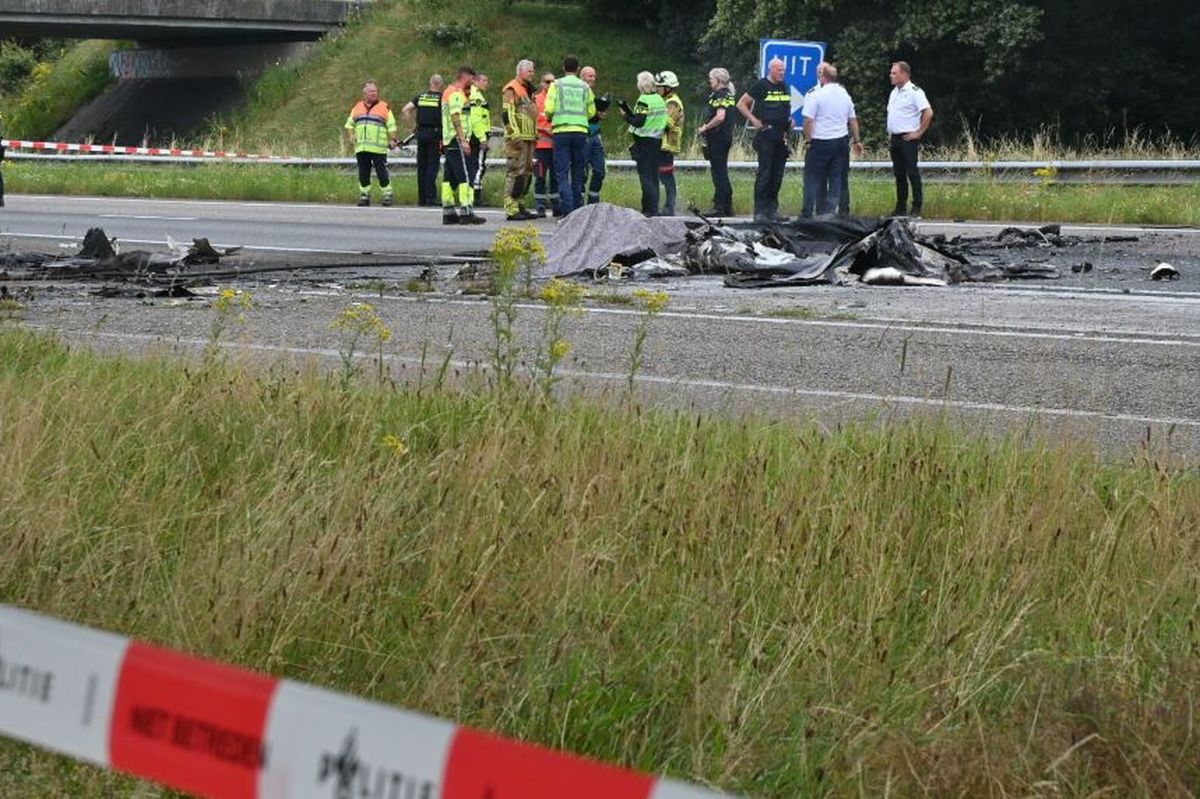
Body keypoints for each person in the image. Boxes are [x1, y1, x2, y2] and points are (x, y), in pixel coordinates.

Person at [800, 62, 862, 218]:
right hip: (841, 141)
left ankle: (807, 213)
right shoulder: (844, 94)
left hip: (821, 141)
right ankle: (832, 212)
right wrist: (856, 140)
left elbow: (808, 120)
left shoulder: (817, 95)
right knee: (837, 178)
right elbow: (853, 119)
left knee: (812, 177)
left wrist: (808, 140)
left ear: (823, 77)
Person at [738, 57, 793, 222]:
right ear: (771, 70)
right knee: (765, 173)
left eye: (783, 69)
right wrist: (753, 119)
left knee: (777, 175)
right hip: (766, 135)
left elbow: (784, 108)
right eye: (779, 70)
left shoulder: (784, 86)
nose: (782, 73)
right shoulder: (761, 85)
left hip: (780, 136)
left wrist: (789, 120)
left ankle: (772, 211)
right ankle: (760, 211)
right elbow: (741, 104)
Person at [543, 55, 596, 216]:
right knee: (578, 171)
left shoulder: (556, 85)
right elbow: (592, 111)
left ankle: (568, 211)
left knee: (562, 172)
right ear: (578, 69)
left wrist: (552, 117)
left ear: (563, 68)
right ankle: (578, 210)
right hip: (580, 131)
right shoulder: (585, 87)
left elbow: (549, 109)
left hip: (561, 132)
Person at [887, 60, 933, 217]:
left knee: (911, 172)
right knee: (899, 173)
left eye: (895, 73)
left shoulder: (915, 91)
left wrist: (919, 132)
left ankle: (917, 206)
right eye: (891, 72)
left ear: (904, 74)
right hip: (895, 138)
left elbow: (928, 112)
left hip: (908, 137)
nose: (891, 75)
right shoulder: (894, 92)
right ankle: (900, 207)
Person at [618, 71, 667, 217]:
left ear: (640, 85)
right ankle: (654, 207)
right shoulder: (659, 99)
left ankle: (649, 209)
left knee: (645, 176)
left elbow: (639, 122)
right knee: (654, 176)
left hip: (644, 141)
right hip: (657, 140)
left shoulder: (643, 100)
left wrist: (625, 116)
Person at [441, 66, 485, 225]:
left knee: (449, 176)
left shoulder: (448, 91)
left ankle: (448, 211)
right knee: (465, 175)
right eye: (472, 79)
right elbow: (456, 116)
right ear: (464, 77)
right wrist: (463, 140)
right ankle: (466, 211)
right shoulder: (456, 93)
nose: (473, 83)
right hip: (456, 139)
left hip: (449, 139)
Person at [344, 81, 397, 207]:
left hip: (378, 148)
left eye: (375, 91)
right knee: (363, 172)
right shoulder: (357, 107)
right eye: (371, 91)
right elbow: (349, 124)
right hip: (361, 147)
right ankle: (364, 195)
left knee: (382, 172)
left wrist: (393, 139)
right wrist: (351, 135)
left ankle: (387, 194)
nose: (374, 93)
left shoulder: (384, 107)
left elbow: (392, 125)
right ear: (365, 94)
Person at [501, 59, 539, 220]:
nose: (532, 73)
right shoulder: (512, 88)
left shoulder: (528, 90)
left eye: (533, 71)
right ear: (520, 71)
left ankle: (519, 203)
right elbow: (507, 114)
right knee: (516, 171)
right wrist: (514, 134)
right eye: (529, 71)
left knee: (527, 172)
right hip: (518, 138)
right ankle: (511, 207)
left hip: (529, 137)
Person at [696, 68, 736, 216]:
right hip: (725, 137)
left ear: (718, 80)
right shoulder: (728, 95)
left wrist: (705, 127)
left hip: (718, 138)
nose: (710, 81)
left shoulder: (720, 95)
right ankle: (728, 206)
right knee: (722, 170)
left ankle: (719, 206)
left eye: (711, 79)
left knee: (718, 172)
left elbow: (720, 117)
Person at [401, 74, 444, 207]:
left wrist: (412, 127)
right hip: (435, 133)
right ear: (441, 84)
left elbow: (406, 110)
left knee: (422, 166)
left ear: (430, 83)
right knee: (432, 166)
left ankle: (422, 198)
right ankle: (431, 197)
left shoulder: (421, 97)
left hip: (421, 134)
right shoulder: (442, 99)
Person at [580, 66, 610, 205]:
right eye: (589, 76)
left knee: (599, 170)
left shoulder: (590, 92)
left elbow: (591, 113)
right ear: (582, 76)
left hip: (595, 134)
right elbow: (583, 113)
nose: (592, 79)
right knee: (582, 171)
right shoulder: (579, 91)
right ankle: (579, 202)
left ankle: (593, 201)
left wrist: (600, 114)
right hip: (583, 135)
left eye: (594, 76)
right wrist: (595, 115)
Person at [656, 70, 684, 217]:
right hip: (663, 144)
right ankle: (668, 205)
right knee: (663, 175)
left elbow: (666, 123)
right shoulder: (666, 100)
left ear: (668, 87)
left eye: (660, 86)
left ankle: (670, 206)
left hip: (667, 144)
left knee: (667, 176)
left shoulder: (672, 102)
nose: (657, 89)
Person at [533, 73, 560, 217]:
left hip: (556, 146)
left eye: (553, 82)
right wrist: (545, 130)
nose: (550, 84)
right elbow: (531, 122)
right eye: (547, 82)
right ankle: (540, 205)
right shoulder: (536, 100)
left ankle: (556, 205)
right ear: (542, 83)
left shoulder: (559, 99)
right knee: (540, 176)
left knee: (556, 177)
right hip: (540, 146)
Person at [468, 73, 492, 207]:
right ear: (476, 81)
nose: (486, 83)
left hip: (475, 134)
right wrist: (483, 138)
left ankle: (471, 193)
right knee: (479, 165)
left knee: (473, 164)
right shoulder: (476, 96)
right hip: (478, 135)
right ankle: (476, 195)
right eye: (484, 80)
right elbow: (476, 119)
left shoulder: (476, 94)